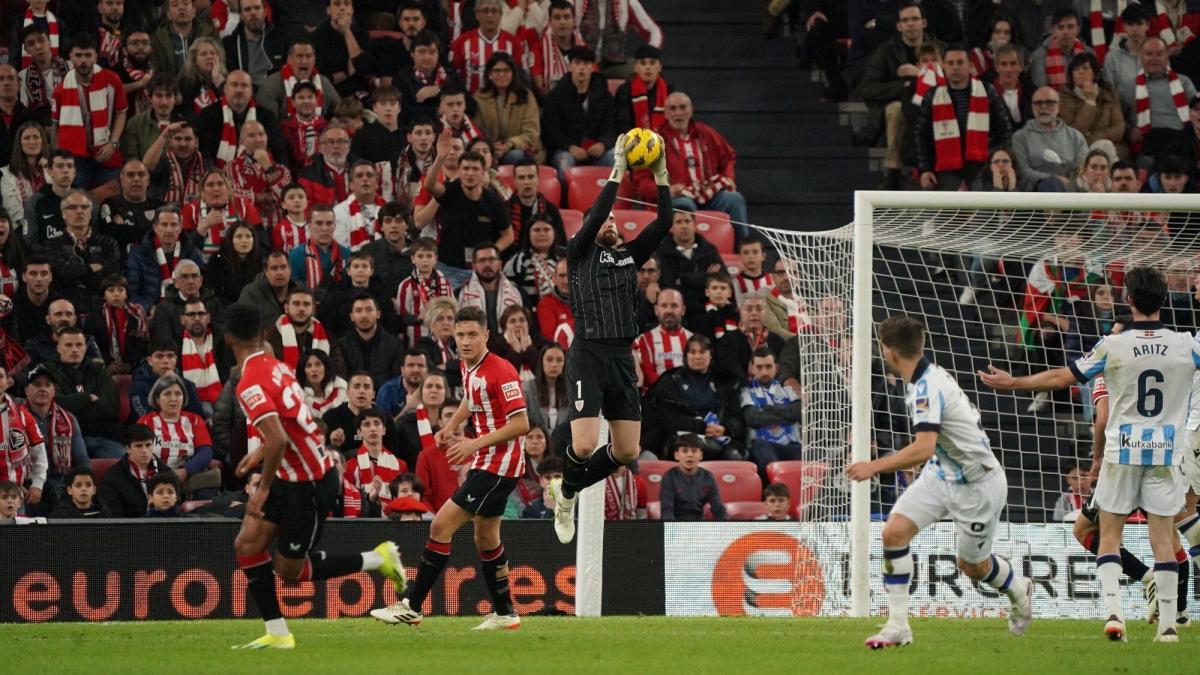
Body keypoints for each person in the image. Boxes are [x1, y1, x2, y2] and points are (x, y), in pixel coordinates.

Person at [978, 267, 1191, 641]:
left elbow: (1063, 376)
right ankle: (1169, 628)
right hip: (1165, 452)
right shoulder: (1186, 344)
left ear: (1128, 300)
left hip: (1122, 452)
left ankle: (1114, 616)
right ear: (1164, 301)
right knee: (1163, 540)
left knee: (1107, 535)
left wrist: (1013, 382)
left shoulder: (1113, 346)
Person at [223, 302, 404, 650]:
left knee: (289, 572)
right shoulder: (276, 366)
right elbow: (293, 421)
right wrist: (261, 451)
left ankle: (378, 558)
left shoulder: (248, 383)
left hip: (309, 483)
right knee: (246, 545)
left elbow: (278, 436)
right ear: (263, 335)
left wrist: (260, 488)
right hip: (292, 476)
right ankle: (278, 634)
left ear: (227, 337)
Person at [848, 315, 1033, 649]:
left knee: (972, 566)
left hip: (978, 485)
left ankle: (1019, 591)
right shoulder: (926, 376)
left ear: (887, 352)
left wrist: (872, 466)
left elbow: (923, 447)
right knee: (894, 532)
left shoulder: (925, 389)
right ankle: (897, 625)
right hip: (941, 473)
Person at [542, 131, 671, 541]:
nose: (611, 223)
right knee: (581, 447)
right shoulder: (578, 254)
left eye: (616, 221)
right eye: (605, 221)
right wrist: (617, 170)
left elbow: (664, 221)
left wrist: (661, 174)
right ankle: (567, 492)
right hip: (587, 354)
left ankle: (567, 492)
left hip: (621, 356)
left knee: (628, 452)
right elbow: (597, 214)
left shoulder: (629, 255)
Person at [370, 305, 530, 630]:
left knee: (439, 527)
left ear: (486, 335)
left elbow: (522, 423)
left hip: (499, 466)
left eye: (473, 334)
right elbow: (471, 401)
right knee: (485, 537)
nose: (466, 341)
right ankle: (506, 613)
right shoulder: (469, 367)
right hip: (490, 463)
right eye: (461, 335)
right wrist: (452, 426)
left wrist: (471, 445)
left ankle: (411, 605)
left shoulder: (501, 371)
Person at [640, 92, 747, 237]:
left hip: (708, 194)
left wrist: (729, 178)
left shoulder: (706, 133)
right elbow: (641, 183)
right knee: (685, 206)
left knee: (734, 199)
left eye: (683, 107)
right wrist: (666, 190)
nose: (678, 113)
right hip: (678, 198)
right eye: (673, 108)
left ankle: (742, 249)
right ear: (665, 113)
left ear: (691, 110)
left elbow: (728, 157)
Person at [857, 2, 939, 189]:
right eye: (905, 20)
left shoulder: (938, 48)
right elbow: (867, 88)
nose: (910, 24)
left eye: (915, 19)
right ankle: (893, 169)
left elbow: (952, 79)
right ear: (899, 26)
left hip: (936, 103)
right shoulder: (886, 51)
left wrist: (921, 76)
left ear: (924, 22)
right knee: (897, 110)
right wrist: (905, 85)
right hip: (897, 107)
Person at [914, 43, 1013, 190]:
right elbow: (920, 136)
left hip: (982, 165)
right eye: (950, 63)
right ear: (943, 66)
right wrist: (925, 169)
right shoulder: (931, 96)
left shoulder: (987, 90)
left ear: (970, 65)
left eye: (960, 62)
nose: (955, 67)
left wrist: (1000, 162)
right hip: (945, 166)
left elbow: (1004, 129)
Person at [421, 134, 514, 289]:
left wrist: (489, 254)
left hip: (480, 270)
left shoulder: (493, 200)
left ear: (484, 171)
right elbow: (429, 185)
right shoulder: (450, 190)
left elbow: (508, 235)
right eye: (465, 168)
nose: (470, 173)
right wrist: (440, 158)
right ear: (460, 170)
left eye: (475, 169)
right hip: (448, 268)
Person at [642, 334, 746, 460]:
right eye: (693, 352)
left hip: (719, 439)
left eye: (702, 352)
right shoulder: (670, 381)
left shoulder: (725, 382)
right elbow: (665, 418)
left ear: (710, 355)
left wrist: (726, 428)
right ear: (686, 356)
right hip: (680, 441)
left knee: (733, 456)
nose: (697, 357)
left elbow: (738, 418)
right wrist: (700, 426)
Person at [52, 33, 128, 188]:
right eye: (78, 55)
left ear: (96, 56)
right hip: (75, 157)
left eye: (88, 55)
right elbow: (55, 127)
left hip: (106, 151)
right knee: (77, 201)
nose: (83, 61)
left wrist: (113, 143)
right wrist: (58, 159)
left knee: (113, 198)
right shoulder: (60, 91)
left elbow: (121, 112)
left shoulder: (112, 80)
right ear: (71, 56)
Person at [542, 46, 617, 178]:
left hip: (597, 150)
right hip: (567, 150)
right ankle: (566, 198)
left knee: (614, 157)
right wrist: (570, 146)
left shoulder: (604, 94)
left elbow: (612, 127)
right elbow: (550, 131)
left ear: (592, 67)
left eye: (586, 64)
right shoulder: (556, 95)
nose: (582, 68)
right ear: (570, 66)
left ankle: (609, 198)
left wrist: (603, 144)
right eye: (577, 63)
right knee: (564, 161)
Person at [137, 371, 216, 492]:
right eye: (167, 394)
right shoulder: (146, 422)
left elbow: (206, 451)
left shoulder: (194, 420)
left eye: (178, 394)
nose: (173, 399)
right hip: (153, 479)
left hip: (188, 479)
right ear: (157, 399)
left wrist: (186, 470)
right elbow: (138, 453)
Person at [45, 190, 121, 314]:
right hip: (65, 306)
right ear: (63, 214)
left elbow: (110, 276)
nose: (79, 211)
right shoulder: (52, 244)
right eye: (72, 207)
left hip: (101, 306)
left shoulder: (108, 243)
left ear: (90, 213)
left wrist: (74, 272)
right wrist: (90, 269)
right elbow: (61, 274)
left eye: (84, 207)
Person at [1121, 36, 1196, 157]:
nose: (1154, 58)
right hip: (1148, 144)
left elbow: (1197, 110)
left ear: (1167, 56)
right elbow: (1119, 119)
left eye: (1159, 54)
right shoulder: (1130, 86)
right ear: (1141, 56)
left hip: (1180, 141)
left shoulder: (1184, 82)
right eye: (1149, 54)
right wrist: (1129, 131)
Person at [128, 213, 206, 318]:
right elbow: (132, 292)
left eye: (174, 225)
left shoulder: (193, 253)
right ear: (155, 227)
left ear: (180, 227)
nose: (169, 230)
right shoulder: (138, 254)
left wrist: (192, 308)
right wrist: (148, 308)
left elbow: (205, 288)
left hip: (189, 311)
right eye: (164, 225)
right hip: (152, 313)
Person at [1012, 86, 1089, 189]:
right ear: (1032, 107)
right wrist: (1054, 179)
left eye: (1049, 102)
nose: (1043, 107)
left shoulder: (1076, 137)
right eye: (1038, 103)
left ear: (1059, 106)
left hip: (1070, 191)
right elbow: (1023, 171)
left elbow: (1083, 170)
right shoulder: (1020, 137)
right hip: (1034, 192)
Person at [1059, 52, 1129, 158]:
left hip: (1110, 145)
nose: (1080, 72)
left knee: (1109, 150)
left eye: (1085, 68)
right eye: (1076, 69)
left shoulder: (1109, 94)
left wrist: (1094, 138)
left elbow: (1118, 128)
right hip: (1078, 149)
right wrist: (1090, 102)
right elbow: (1073, 134)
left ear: (1095, 73)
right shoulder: (1064, 98)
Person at [656, 208, 723, 317]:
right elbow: (667, 286)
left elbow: (722, 280)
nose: (684, 226)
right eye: (678, 222)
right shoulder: (661, 252)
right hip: (675, 313)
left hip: (708, 311)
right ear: (671, 227)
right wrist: (705, 277)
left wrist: (683, 279)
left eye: (687, 221)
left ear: (694, 225)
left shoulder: (709, 250)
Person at [227, 121, 292, 231]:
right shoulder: (233, 166)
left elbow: (287, 197)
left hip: (279, 229)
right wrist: (269, 196)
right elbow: (236, 196)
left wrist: (268, 168)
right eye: (251, 135)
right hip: (248, 231)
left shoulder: (282, 170)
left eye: (261, 134)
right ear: (242, 140)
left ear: (267, 137)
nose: (258, 139)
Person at [255, 38, 340, 120]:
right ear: (289, 60)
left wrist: (335, 121)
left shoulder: (323, 82)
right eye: (299, 56)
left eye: (308, 56)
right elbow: (268, 124)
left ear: (314, 60)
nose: (304, 61)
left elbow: (341, 111)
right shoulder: (271, 84)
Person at [450, 0, 524, 94]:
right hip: (472, 103)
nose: (490, 15)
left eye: (494, 11)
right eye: (485, 11)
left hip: (505, 104)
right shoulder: (461, 43)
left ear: (500, 14)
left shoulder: (514, 43)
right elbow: (455, 77)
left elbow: (519, 77)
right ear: (477, 14)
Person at [0, 365, 47, 512]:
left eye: (0, 377)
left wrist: (37, 484)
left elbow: (39, 453)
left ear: (8, 381)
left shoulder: (22, 415)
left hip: (14, 499)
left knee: (16, 536)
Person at [98, 423, 170, 517]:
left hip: (165, 526)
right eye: (138, 446)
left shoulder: (166, 472)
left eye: (148, 445)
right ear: (128, 449)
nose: (144, 450)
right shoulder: (112, 478)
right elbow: (114, 516)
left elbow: (175, 504)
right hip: (130, 528)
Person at [344, 407, 409, 512]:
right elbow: (347, 500)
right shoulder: (349, 466)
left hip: (393, 522)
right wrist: (370, 499)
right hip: (361, 523)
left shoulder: (401, 465)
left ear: (384, 430)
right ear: (359, 432)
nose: (373, 428)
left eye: (377, 423)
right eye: (367, 424)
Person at [310, 0, 375, 100]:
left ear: (352, 10)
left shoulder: (361, 33)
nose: (342, 8)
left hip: (358, 92)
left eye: (347, 4)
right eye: (337, 4)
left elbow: (365, 70)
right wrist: (346, 74)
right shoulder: (317, 37)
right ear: (328, 10)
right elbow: (316, 78)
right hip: (329, 92)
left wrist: (346, 31)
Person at [83, 273, 148, 374]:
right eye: (111, 290)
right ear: (104, 295)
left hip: (134, 366)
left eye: (120, 290)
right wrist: (108, 363)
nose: (116, 294)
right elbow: (92, 344)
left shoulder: (138, 314)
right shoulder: (94, 317)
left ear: (126, 294)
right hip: (103, 367)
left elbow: (142, 342)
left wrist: (131, 363)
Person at [337, 294, 405, 389]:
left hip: (384, 400)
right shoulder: (341, 345)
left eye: (369, 310)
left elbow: (397, 381)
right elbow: (341, 380)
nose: (364, 315)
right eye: (359, 311)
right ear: (351, 316)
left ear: (378, 314)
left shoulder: (394, 345)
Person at [396, 237, 454, 347]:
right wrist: (419, 317)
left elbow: (454, 311)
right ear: (413, 259)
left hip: (443, 338)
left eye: (429, 256)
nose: (425, 260)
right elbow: (402, 317)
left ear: (435, 258)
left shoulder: (445, 283)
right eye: (420, 256)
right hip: (417, 338)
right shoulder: (406, 285)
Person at [99, 158, 162, 257]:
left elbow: (167, 235)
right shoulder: (110, 205)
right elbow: (112, 234)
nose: (136, 179)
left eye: (141, 175)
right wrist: (153, 230)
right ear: (122, 181)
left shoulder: (160, 207)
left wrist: (125, 228)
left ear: (148, 181)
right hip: (121, 265)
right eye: (130, 175)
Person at [398, 31, 462, 126]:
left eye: (432, 52)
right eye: (422, 52)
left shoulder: (451, 74)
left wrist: (439, 89)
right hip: (418, 130)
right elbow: (403, 112)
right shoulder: (402, 78)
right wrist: (437, 111)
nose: (427, 57)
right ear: (412, 54)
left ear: (438, 54)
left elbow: (467, 101)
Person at [658, 434, 727, 522]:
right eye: (685, 451)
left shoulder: (708, 476)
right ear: (676, 455)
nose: (689, 455)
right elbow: (667, 510)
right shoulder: (669, 477)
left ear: (701, 455)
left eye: (694, 451)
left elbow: (717, 506)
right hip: (676, 526)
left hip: (699, 525)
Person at [457, 241, 523, 333]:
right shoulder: (459, 293)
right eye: (482, 260)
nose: (487, 264)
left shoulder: (518, 292)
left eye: (492, 259)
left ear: (500, 264)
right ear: (474, 266)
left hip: (510, 345)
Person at [633, 288, 691, 390]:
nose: (669, 310)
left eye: (674, 305)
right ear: (656, 310)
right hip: (657, 400)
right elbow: (644, 375)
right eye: (664, 305)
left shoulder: (693, 340)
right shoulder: (642, 341)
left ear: (683, 310)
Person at [223, 0, 288, 87]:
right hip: (246, 94)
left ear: (265, 11)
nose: (253, 13)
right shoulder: (230, 44)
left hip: (276, 91)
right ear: (240, 15)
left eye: (257, 8)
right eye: (247, 9)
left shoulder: (281, 38)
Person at [150, 0, 218, 80]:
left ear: (193, 11)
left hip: (206, 87)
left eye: (186, 4)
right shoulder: (157, 40)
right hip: (169, 89)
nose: (181, 8)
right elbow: (155, 72)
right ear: (168, 14)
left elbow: (220, 67)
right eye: (175, 5)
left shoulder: (210, 35)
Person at [145, 120, 209, 206]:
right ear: (170, 141)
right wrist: (164, 136)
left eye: (188, 139)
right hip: (163, 215)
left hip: (195, 216)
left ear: (196, 142)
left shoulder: (205, 165)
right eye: (178, 139)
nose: (183, 144)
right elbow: (146, 167)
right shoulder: (162, 161)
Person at [395, 371, 449, 469]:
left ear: (446, 393)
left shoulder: (453, 423)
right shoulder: (404, 424)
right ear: (421, 392)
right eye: (429, 386)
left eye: (439, 387)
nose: (434, 390)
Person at [289, 204, 349, 292]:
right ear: (309, 225)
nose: (325, 228)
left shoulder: (347, 254)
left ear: (335, 225)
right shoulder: (295, 256)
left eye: (329, 223)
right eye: (319, 223)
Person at [1, 121, 47, 235]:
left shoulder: (52, 169)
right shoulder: (7, 173)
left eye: (36, 137)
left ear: (43, 142)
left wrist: (48, 172)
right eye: (27, 138)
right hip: (23, 231)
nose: (32, 142)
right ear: (19, 143)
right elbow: (13, 210)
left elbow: (59, 201)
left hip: (52, 228)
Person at [1029, 8, 1090, 90]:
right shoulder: (1040, 55)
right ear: (1053, 30)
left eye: (1070, 27)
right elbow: (1041, 90)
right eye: (1061, 27)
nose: (1065, 32)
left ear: (1078, 30)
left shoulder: (1088, 53)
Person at [277, 81, 329, 175]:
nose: (306, 101)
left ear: (317, 101)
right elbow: (283, 161)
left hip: (323, 180)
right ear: (293, 102)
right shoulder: (284, 128)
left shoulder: (327, 128)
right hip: (294, 180)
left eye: (310, 97)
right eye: (301, 97)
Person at [332, 161, 386, 252]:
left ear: (377, 183)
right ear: (351, 185)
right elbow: (340, 248)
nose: (365, 179)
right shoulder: (339, 212)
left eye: (369, 175)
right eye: (359, 176)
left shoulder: (389, 209)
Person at [376, 348, 431, 419]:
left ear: (427, 370)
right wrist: (408, 408)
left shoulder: (435, 389)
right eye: (411, 365)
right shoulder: (388, 391)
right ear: (402, 370)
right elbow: (385, 428)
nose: (416, 370)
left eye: (420, 365)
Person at [180, 37, 228, 117]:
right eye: (203, 54)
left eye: (213, 53)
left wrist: (217, 79)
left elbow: (232, 102)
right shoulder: (186, 82)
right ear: (194, 60)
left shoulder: (228, 79)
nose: (209, 57)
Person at [299, 349, 348, 420]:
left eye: (318, 364)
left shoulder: (342, 388)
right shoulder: (298, 394)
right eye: (309, 366)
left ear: (326, 367)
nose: (313, 369)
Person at [535, 258, 573, 346]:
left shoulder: (589, 301)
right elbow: (552, 339)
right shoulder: (546, 304)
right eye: (562, 275)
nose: (566, 281)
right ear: (554, 278)